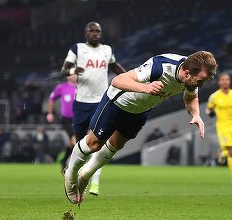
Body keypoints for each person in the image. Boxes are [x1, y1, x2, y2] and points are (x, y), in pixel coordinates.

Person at [63, 51, 218, 204]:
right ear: (186, 73)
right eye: (201, 81)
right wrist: (146, 88)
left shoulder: (191, 77)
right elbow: (118, 80)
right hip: (117, 102)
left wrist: (196, 114)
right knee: (94, 144)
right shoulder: (160, 66)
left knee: (116, 144)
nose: (201, 84)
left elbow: (191, 98)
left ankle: (85, 175)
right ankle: (70, 175)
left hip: (141, 110)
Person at [61, 21, 126, 196]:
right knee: (80, 143)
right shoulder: (77, 49)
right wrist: (75, 69)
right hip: (81, 102)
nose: (95, 33)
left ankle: (94, 182)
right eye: (92, 30)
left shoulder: (107, 50)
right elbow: (64, 70)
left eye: (98, 31)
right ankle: (73, 176)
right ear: (86, 33)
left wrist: (129, 77)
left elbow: (114, 66)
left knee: (98, 142)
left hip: (101, 102)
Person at [206, 73, 232, 185]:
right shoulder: (214, 96)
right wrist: (210, 113)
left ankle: (223, 153)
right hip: (223, 126)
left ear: (229, 81)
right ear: (219, 82)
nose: (225, 81)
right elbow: (208, 109)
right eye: (223, 80)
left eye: (227, 79)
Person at [46, 75, 77, 172]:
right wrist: (50, 113)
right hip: (66, 119)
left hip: (79, 119)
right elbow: (52, 99)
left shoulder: (81, 87)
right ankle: (74, 164)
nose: (73, 76)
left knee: (73, 142)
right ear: (68, 76)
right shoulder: (61, 87)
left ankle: (64, 160)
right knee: (75, 140)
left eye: (75, 74)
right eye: (71, 74)